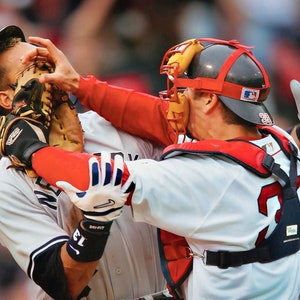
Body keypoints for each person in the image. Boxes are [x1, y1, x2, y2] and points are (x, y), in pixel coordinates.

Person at [14, 35, 300, 299]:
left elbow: (96, 178)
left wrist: (29, 149)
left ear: (211, 100)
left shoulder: (203, 175)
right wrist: (79, 84)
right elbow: (155, 116)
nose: (174, 99)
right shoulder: (281, 141)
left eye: (183, 90)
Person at [0, 25, 170, 300]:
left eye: (47, 63)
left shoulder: (116, 127)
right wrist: (95, 224)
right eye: (32, 70)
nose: (48, 74)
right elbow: (65, 281)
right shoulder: (7, 181)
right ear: (6, 98)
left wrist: (82, 84)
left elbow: (186, 130)